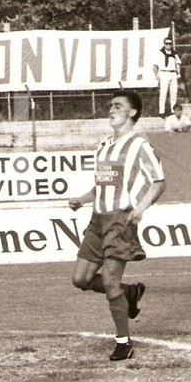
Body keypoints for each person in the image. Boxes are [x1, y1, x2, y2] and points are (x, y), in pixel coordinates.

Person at [68, 89, 166, 361]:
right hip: (97, 220)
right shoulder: (103, 146)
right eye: (110, 105)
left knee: (110, 282)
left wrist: (140, 208)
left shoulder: (139, 146)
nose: (111, 110)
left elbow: (159, 183)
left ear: (132, 112)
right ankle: (130, 292)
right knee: (81, 279)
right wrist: (82, 199)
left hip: (120, 221)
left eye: (118, 106)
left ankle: (124, 343)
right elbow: (102, 186)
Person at [153, 36, 181, 117]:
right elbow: (155, 65)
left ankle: (173, 111)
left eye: (170, 43)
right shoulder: (160, 53)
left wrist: (178, 73)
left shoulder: (174, 54)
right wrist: (156, 75)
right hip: (164, 73)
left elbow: (178, 63)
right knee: (163, 93)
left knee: (173, 93)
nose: (168, 45)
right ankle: (161, 112)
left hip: (172, 73)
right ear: (164, 44)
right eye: (167, 43)